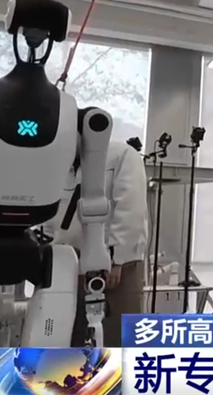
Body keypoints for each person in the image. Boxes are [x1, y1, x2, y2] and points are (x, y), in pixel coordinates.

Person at [52, 139, 149, 346]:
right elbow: (56, 214)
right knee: (73, 338)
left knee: (116, 338)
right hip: (71, 265)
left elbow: (131, 210)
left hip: (116, 268)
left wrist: (117, 258)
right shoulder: (63, 163)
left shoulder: (121, 155)